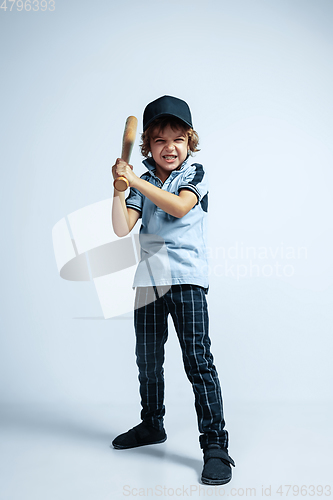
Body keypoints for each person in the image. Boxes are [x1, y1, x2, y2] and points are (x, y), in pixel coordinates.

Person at [111, 95, 235, 485]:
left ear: (189, 142)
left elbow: (180, 208)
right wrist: (119, 187)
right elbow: (120, 227)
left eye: (178, 139)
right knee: (147, 361)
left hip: (186, 280)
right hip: (148, 280)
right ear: (147, 144)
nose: (170, 147)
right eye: (161, 140)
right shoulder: (141, 180)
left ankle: (215, 446)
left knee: (198, 361)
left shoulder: (195, 174)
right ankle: (152, 425)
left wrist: (134, 182)